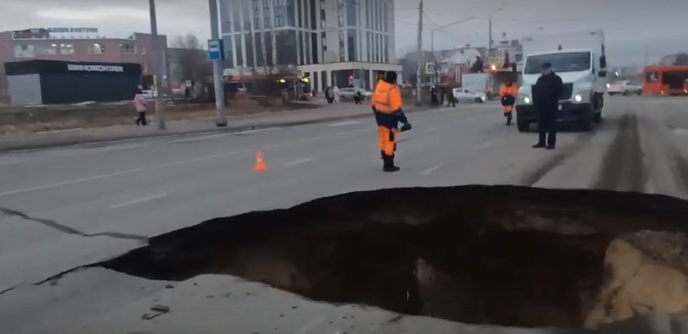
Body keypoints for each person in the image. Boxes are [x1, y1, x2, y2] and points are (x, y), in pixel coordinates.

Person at [372, 71, 412, 172]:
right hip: (390, 120)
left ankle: (384, 158)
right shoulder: (393, 90)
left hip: (380, 118)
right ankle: (388, 164)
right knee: (390, 141)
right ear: (394, 79)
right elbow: (396, 109)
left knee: (383, 141)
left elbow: (374, 104)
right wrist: (405, 122)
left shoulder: (379, 87)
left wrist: (378, 115)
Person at [532, 62, 563, 149]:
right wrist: (535, 103)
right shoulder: (540, 80)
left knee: (551, 125)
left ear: (549, 69)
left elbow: (559, 91)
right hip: (541, 106)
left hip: (551, 105)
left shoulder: (556, 79)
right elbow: (536, 92)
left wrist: (553, 99)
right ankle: (541, 142)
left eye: (545, 69)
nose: (543, 70)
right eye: (542, 69)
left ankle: (551, 143)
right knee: (541, 125)